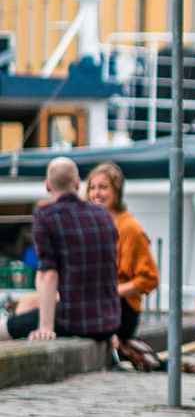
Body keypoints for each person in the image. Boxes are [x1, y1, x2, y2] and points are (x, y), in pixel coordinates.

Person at [0, 158, 121, 346]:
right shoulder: (103, 215)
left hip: (76, 322)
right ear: (77, 183)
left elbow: (48, 274)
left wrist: (45, 327)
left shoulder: (46, 216)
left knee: (8, 328)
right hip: (109, 323)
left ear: (47, 185)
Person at [86, 162, 161, 370]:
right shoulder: (92, 225)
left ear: (116, 191)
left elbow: (150, 278)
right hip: (99, 302)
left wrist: (112, 292)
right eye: (92, 187)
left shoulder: (130, 228)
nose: (96, 193)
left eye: (103, 187)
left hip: (122, 308)